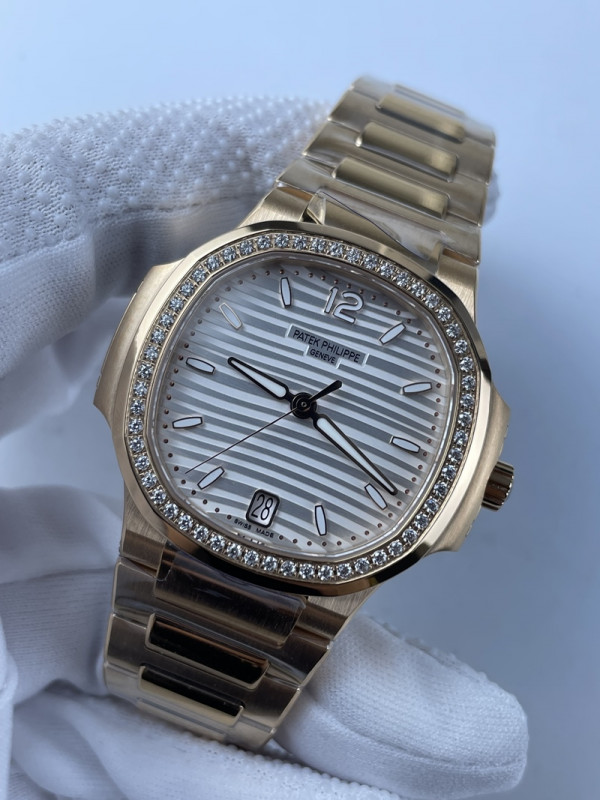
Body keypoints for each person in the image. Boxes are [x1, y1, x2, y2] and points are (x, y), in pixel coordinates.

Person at [0, 94, 528, 799]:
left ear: (474, 481)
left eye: (306, 406)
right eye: (299, 402)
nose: (303, 407)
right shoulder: (232, 279)